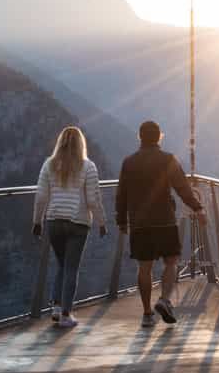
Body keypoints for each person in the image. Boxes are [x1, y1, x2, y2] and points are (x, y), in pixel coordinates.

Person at [116, 121, 207, 328]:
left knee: (144, 267)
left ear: (140, 137)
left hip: (139, 222)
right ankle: (164, 300)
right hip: (165, 219)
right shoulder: (168, 160)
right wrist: (198, 208)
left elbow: (122, 194)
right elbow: (183, 188)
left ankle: (147, 313)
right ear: (160, 137)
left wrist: (121, 220)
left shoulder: (128, 162)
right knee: (172, 261)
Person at [32, 126, 107, 328]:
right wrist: (101, 221)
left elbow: (41, 197)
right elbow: (93, 199)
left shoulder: (49, 165)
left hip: (54, 222)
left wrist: (37, 222)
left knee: (62, 264)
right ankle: (66, 314)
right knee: (71, 267)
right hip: (78, 223)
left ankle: (56, 306)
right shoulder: (88, 166)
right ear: (81, 143)